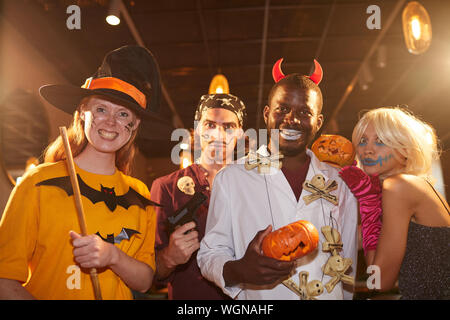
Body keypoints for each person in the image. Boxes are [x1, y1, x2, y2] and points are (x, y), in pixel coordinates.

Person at [0, 45, 165, 299]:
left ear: (135, 125)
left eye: (123, 114)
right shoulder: (38, 182)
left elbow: (144, 282)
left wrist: (113, 256)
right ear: (82, 112)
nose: (111, 122)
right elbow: (4, 279)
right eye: (101, 109)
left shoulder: (139, 193)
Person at [197, 59, 358, 300]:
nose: (291, 119)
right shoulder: (232, 178)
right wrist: (238, 270)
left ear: (319, 122)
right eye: (282, 109)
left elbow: (348, 261)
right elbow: (210, 253)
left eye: (304, 112)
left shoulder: (340, 183)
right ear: (266, 114)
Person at [339, 107, 450, 299]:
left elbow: (379, 281)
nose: (368, 149)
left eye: (380, 141)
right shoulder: (409, 186)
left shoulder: (398, 187)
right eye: (363, 141)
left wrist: (368, 204)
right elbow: (345, 240)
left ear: (405, 149)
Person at [150, 93, 246, 299]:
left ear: (239, 133)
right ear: (197, 129)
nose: (218, 135)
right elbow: (151, 274)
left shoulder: (251, 188)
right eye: (210, 125)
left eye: (228, 127)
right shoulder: (166, 187)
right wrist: (169, 258)